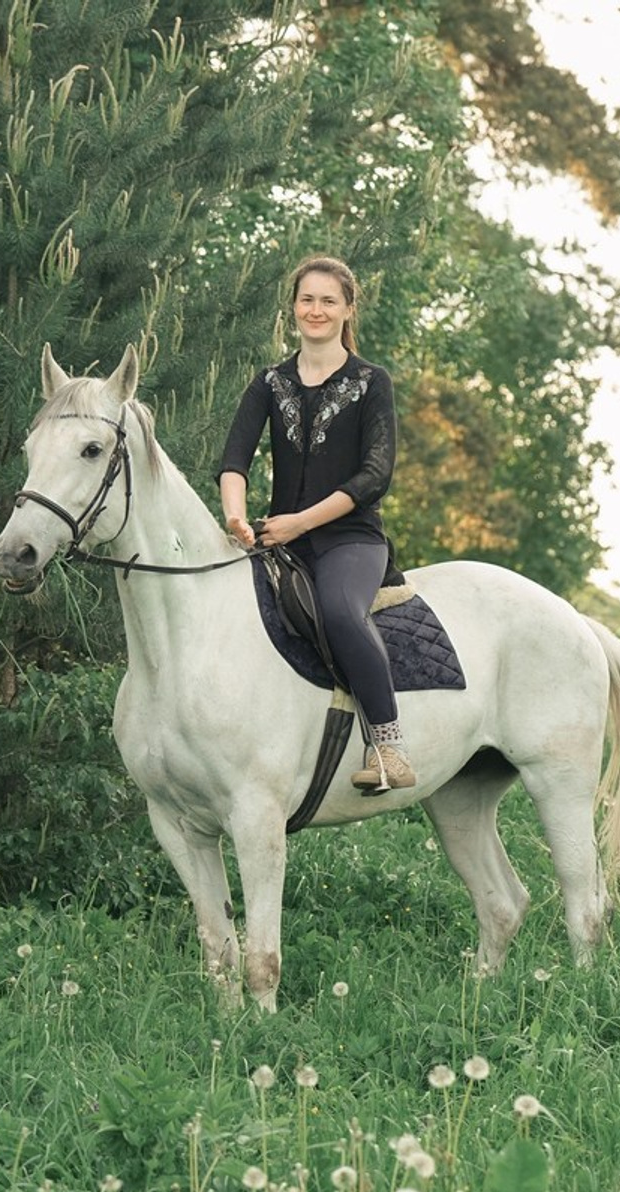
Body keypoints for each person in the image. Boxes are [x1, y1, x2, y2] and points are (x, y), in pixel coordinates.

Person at [218, 254, 415, 791]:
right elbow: (234, 461)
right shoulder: (270, 382)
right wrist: (235, 516)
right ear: (294, 308)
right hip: (279, 537)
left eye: (329, 300)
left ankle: (389, 748)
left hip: (349, 540)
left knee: (338, 612)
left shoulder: (372, 382)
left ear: (348, 309)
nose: (316, 310)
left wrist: (299, 522)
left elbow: (374, 476)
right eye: (307, 299)